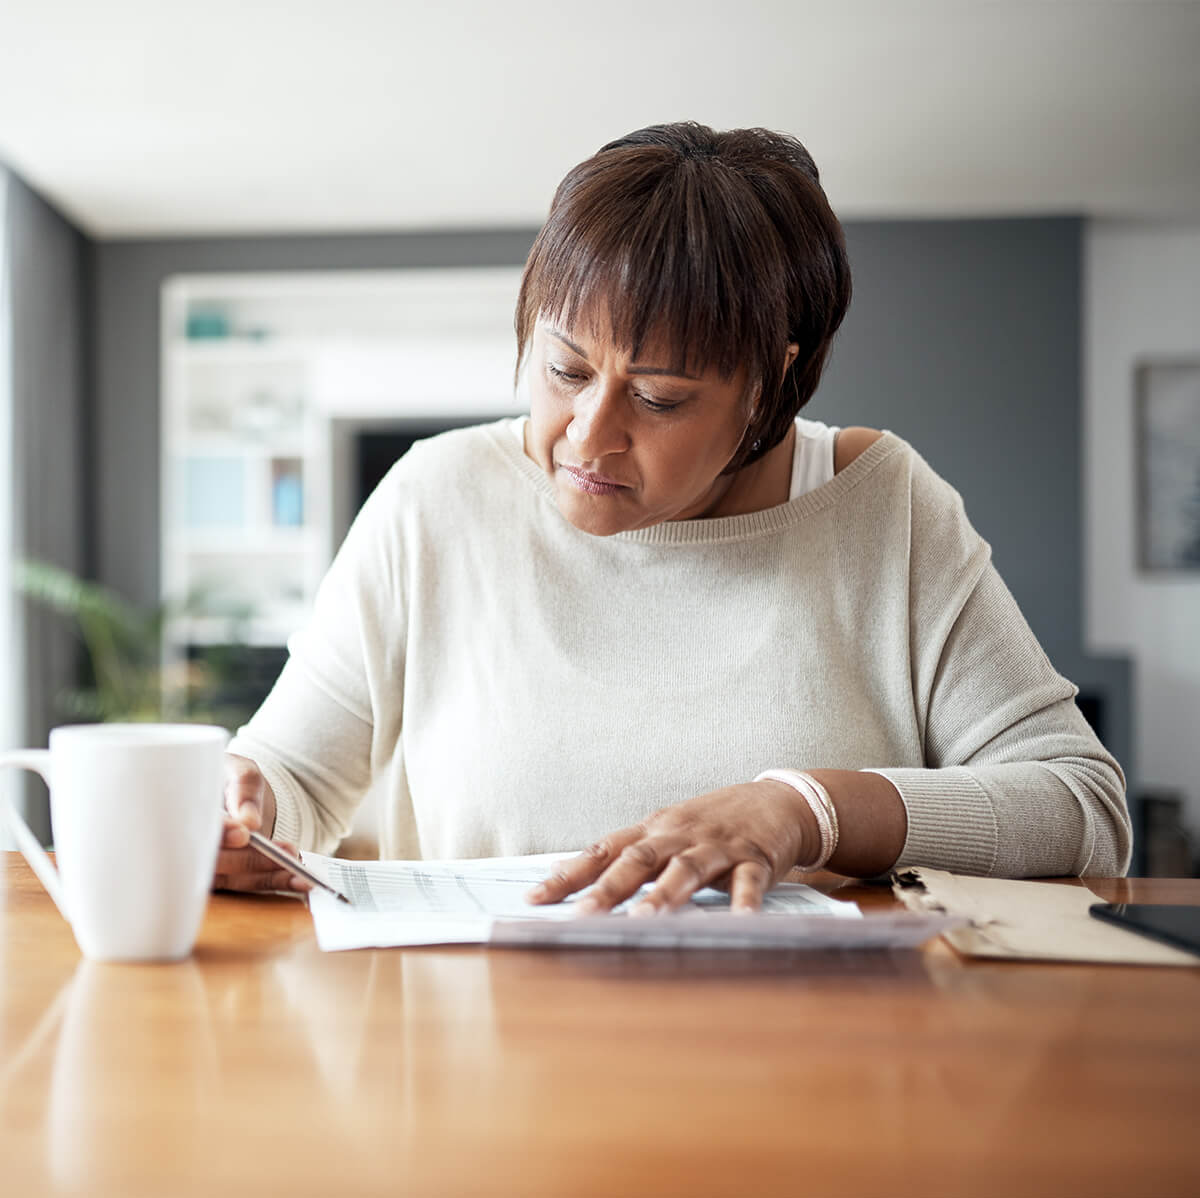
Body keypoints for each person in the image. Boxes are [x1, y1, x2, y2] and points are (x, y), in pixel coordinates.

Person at [215, 122, 1131, 912]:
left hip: (819, 1045)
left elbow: (1083, 808)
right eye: (566, 370)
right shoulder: (436, 499)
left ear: (770, 379)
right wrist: (241, 811)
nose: (589, 434)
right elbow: (291, 781)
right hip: (491, 1040)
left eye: (658, 398)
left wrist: (806, 809)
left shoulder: (881, 507)